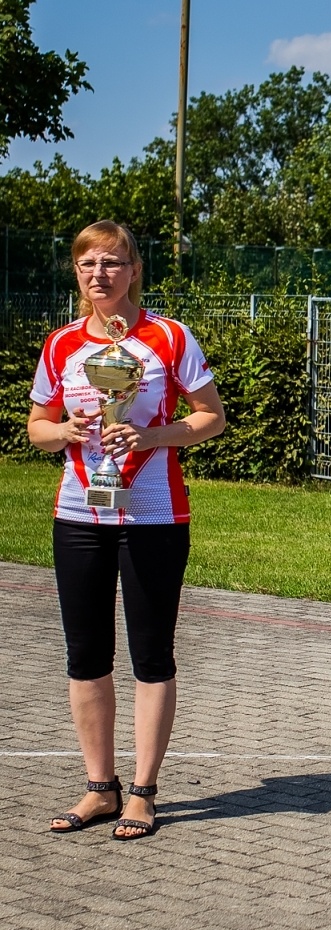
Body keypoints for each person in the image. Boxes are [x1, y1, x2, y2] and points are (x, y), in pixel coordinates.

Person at [28, 220, 227, 841]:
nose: (100, 275)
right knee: (86, 655)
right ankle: (99, 789)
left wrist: (151, 435)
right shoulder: (62, 344)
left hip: (154, 515)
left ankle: (142, 792)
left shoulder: (167, 338)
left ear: (134, 270)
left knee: (151, 654)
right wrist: (62, 432)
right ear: (77, 272)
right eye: (89, 265)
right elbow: (37, 423)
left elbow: (211, 417)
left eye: (112, 263)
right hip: (79, 514)